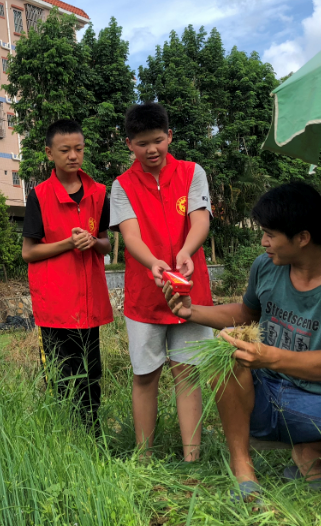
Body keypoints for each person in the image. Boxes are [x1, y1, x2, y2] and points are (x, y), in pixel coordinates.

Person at [164, 182, 321, 499]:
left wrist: (269, 357)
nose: (263, 242)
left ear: (302, 238)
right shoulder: (267, 266)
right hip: (259, 393)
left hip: (314, 401)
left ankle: (310, 451)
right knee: (225, 354)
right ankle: (243, 469)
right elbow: (248, 313)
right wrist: (191, 311)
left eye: (270, 235)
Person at [110, 102, 214, 461]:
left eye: (157, 140)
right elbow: (130, 234)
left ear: (169, 136)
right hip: (145, 295)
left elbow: (200, 219)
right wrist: (154, 262)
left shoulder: (192, 172)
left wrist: (186, 251)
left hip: (191, 290)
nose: (151, 150)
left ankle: (192, 457)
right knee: (145, 375)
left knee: (187, 373)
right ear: (129, 144)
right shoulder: (122, 185)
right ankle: (144, 456)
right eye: (142, 143)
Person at [22, 119, 113, 433]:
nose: (73, 156)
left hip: (88, 305)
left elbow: (106, 242)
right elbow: (28, 252)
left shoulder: (99, 193)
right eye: (65, 150)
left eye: (79, 149)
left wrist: (93, 241)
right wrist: (67, 243)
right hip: (54, 307)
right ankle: (63, 440)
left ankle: (93, 436)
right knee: (59, 378)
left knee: (91, 374)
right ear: (49, 153)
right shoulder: (39, 196)